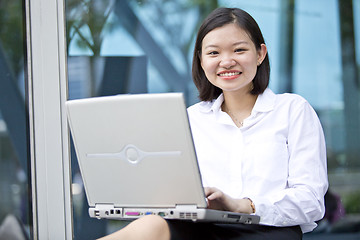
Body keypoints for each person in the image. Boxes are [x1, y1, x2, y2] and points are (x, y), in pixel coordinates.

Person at [98, 7, 328, 240]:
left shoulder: (293, 110)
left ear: (260, 54)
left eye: (239, 50)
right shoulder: (190, 118)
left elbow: (311, 201)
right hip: (202, 228)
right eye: (213, 53)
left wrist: (243, 205)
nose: (226, 62)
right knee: (150, 225)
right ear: (201, 59)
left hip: (270, 229)